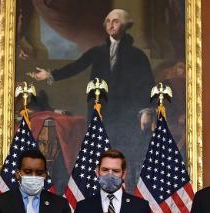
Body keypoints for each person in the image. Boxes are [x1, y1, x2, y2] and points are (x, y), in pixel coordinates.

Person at [29, 8, 155, 189]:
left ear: (126, 25)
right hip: (102, 113)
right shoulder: (98, 52)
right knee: (99, 154)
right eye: (109, 21)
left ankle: (127, 195)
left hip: (128, 116)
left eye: (116, 21)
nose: (111, 25)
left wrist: (146, 111)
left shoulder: (138, 56)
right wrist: (50, 75)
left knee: (125, 156)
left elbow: (147, 85)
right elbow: (76, 66)